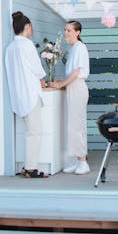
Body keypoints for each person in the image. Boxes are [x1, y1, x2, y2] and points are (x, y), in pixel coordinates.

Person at [3, 11, 48, 178]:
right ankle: (30, 168)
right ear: (27, 27)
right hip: (30, 93)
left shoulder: (10, 48)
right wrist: (43, 80)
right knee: (35, 132)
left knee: (30, 131)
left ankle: (28, 167)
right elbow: (37, 68)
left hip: (18, 95)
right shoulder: (27, 45)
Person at [49, 20, 90, 174]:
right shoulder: (74, 49)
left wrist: (60, 85)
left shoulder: (80, 48)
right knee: (73, 125)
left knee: (76, 126)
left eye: (69, 30)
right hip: (73, 87)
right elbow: (71, 73)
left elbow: (77, 73)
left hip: (77, 89)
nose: (66, 32)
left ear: (77, 32)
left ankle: (83, 162)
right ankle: (76, 160)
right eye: (65, 30)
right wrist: (62, 81)